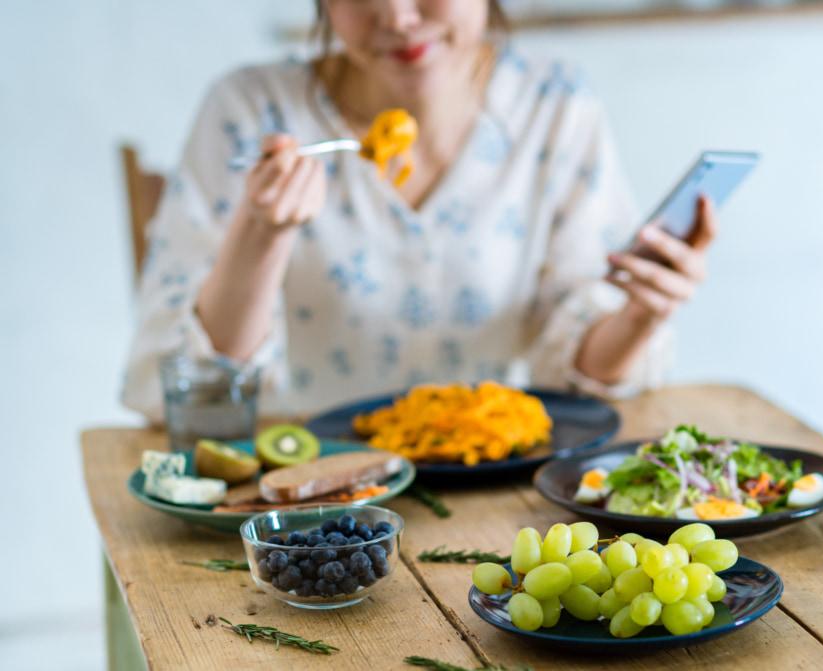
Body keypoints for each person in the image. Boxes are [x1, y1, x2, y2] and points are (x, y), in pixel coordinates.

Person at [121, 0, 716, 421]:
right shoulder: (251, 110)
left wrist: (641, 313)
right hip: (303, 494)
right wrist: (260, 232)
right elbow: (188, 399)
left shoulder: (554, 105)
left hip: (493, 484)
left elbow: (574, 386)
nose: (399, 16)